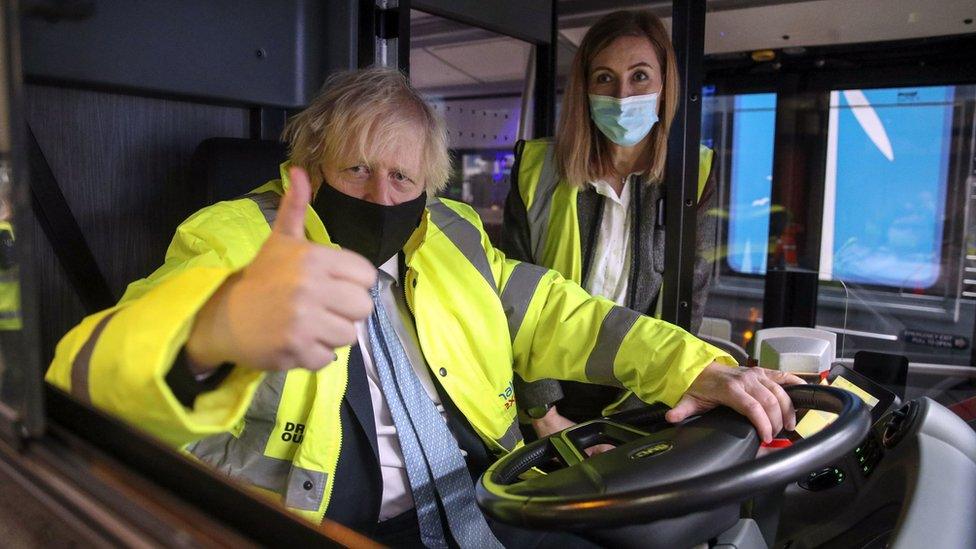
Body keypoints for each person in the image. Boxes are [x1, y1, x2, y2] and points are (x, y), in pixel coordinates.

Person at [47, 68, 799, 548]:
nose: (381, 195)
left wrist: (692, 363)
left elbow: (557, 313)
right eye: (357, 168)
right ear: (309, 165)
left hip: (488, 499)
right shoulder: (233, 239)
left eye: (403, 177)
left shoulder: (453, 236)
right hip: (327, 526)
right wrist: (208, 335)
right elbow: (82, 373)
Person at [501, 10, 723, 440]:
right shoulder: (535, 169)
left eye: (639, 76)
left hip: (642, 402)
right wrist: (541, 412)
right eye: (604, 78)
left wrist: (636, 420)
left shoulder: (692, 175)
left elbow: (687, 301)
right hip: (544, 401)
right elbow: (512, 297)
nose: (622, 96)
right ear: (585, 89)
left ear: (664, 86)